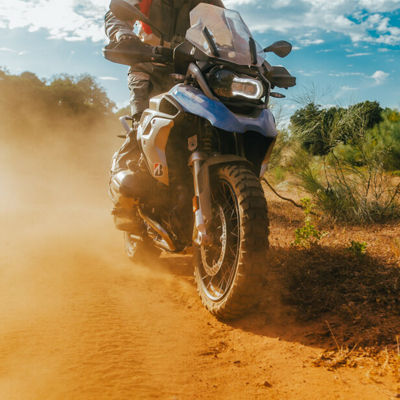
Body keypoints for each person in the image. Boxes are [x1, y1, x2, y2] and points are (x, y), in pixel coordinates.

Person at [104, 0, 224, 232]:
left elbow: (223, 29)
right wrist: (123, 35)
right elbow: (117, 15)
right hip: (149, 64)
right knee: (142, 128)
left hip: (193, 70)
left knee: (214, 127)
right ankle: (125, 201)